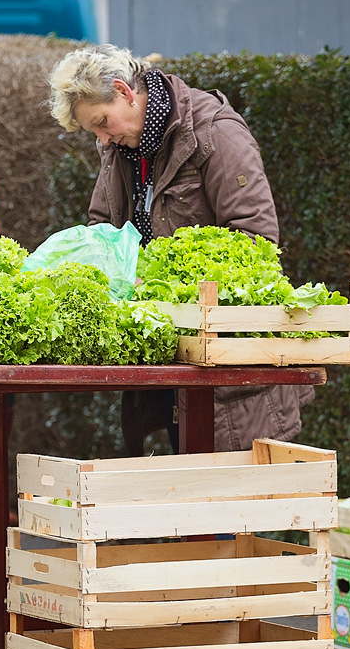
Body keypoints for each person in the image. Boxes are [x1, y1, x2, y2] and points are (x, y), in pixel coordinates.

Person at [47, 44, 313, 454]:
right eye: (93, 131)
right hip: (170, 360)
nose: (101, 136)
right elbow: (102, 228)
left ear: (124, 91)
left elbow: (256, 240)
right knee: (182, 500)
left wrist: (165, 284)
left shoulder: (215, 132)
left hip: (226, 367)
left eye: (101, 122)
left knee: (231, 508)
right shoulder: (119, 146)